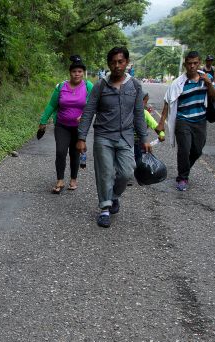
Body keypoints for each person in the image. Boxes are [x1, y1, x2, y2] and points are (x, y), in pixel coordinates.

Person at [76, 46, 151, 228]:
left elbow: (139, 114)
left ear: (126, 63)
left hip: (125, 137)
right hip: (103, 136)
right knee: (105, 173)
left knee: (126, 172)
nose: (117, 65)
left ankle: (114, 196)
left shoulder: (135, 86)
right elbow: (89, 111)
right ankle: (104, 209)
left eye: (120, 61)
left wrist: (144, 138)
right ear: (108, 64)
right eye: (113, 62)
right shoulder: (101, 86)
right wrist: (81, 137)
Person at [156, 51, 215, 191]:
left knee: (197, 150)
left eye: (195, 63)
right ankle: (183, 177)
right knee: (184, 149)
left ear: (199, 63)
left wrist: (209, 83)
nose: (192, 66)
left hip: (200, 120)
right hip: (182, 120)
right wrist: (161, 123)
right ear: (185, 64)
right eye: (189, 63)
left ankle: (184, 168)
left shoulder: (206, 78)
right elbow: (168, 101)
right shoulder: (178, 83)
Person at [38, 55, 94, 193]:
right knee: (60, 151)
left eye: (80, 71)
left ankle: (73, 179)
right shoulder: (61, 86)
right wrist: (43, 121)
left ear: (83, 73)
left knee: (75, 153)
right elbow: (52, 105)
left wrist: (84, 115)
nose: (77, 74)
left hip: (79, 127)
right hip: (62, 125)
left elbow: (92, 105)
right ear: (70, 72)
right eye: (74, 71)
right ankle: (60, 180)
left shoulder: (88, 86)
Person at [134, 92, 165, 167]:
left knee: (139, 158)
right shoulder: (127, 112)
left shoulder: (145, 113)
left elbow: (154, 125)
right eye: (145, 102)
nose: (146, 105)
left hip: (139, 141)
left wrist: (161, 134)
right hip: (130, 141)